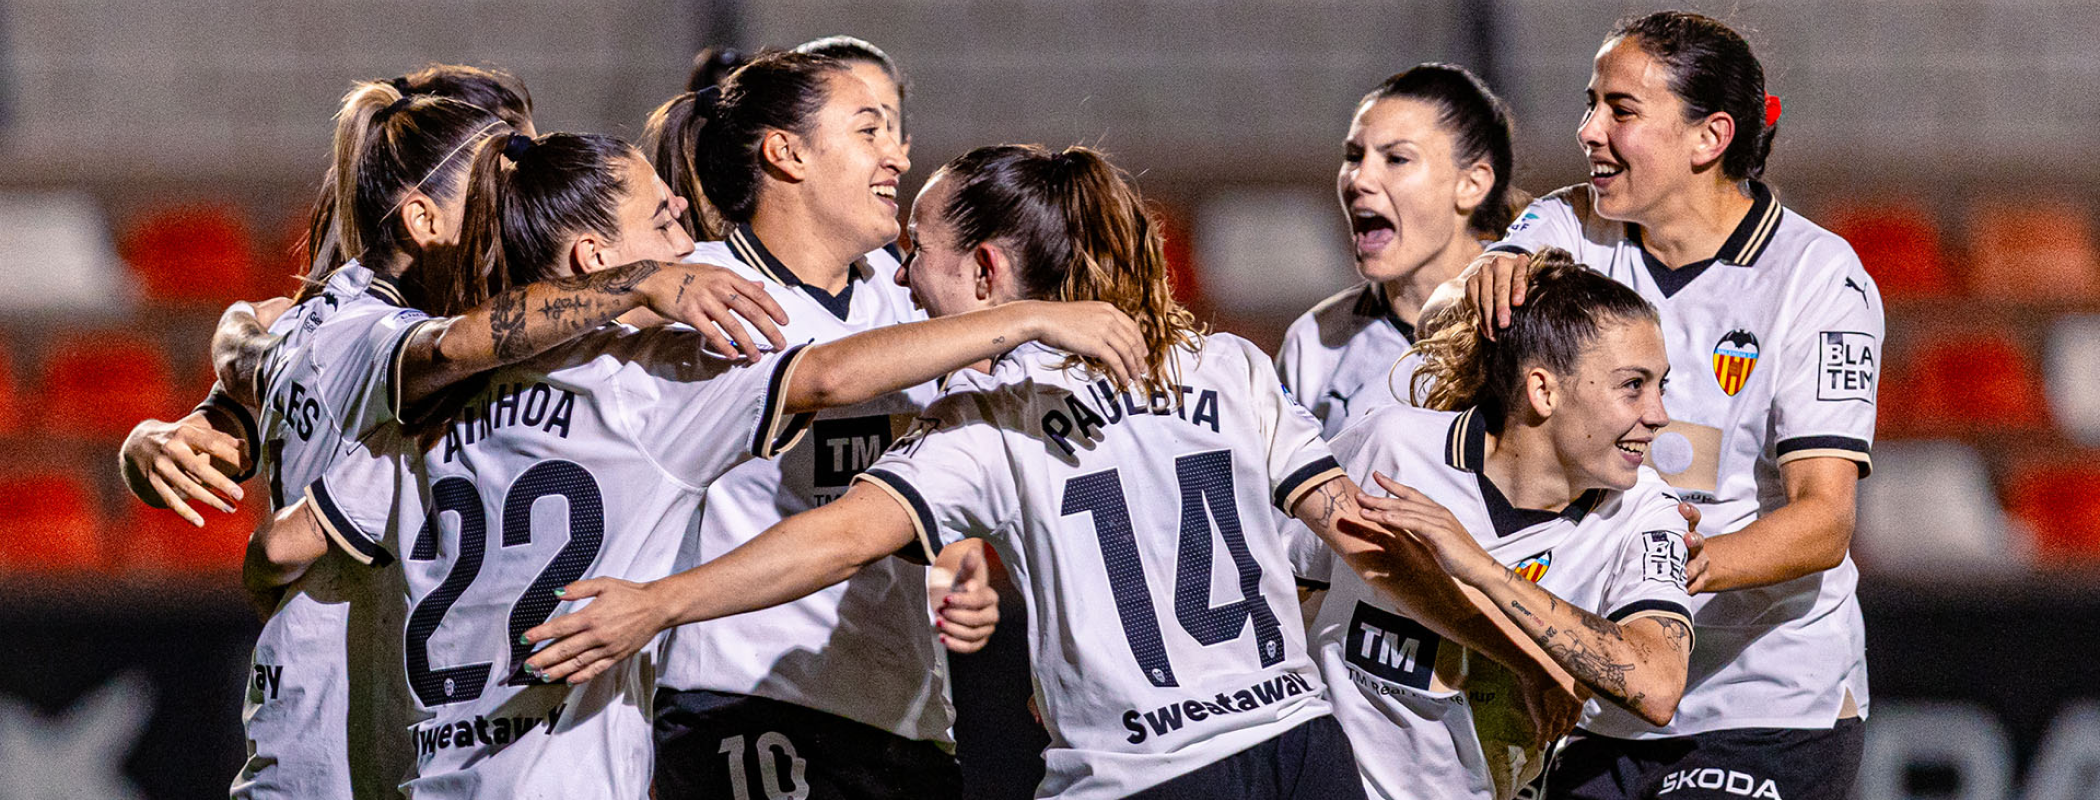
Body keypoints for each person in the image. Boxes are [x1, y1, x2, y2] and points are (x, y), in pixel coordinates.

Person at [519, 144, 1575, 800]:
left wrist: (661, 600)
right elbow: (1362, 536)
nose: (898, 268)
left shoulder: (990, 416)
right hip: (1302, 750)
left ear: (985, 270)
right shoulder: (1218, 360)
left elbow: (839, 535)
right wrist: (1518, 642)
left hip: (1141, 773)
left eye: (921, 248)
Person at [243, 130, 1146, 798]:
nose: (692, 246)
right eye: (668, 223)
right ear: (598, 258)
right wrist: (1027, 318)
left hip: (436, 776)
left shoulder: (435, 402)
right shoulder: (646, 391)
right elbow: (827, 374)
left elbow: (279, 551)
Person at [152, 74, 788, 800]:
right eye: (497, 187)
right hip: (343, 750)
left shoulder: (310, 324)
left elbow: (269, 521)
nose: (516, 212)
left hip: (358, 735)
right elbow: (446, 354)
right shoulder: (377, 338)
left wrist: (166, 433)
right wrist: (639, 283)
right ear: (424, 220)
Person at [1433, 12, 1882, 798]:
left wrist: (1668, 568)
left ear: (1708, 138)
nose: (1587, 130)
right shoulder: (1570, 230)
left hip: (1767, 700)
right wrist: (1485, 276)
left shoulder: (1817, 279)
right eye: (1590, 103)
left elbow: (1824, 520)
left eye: (1620, 110)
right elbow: (1453, 320)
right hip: (1605, 699)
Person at [642, 50, 988, 800]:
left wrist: (961, 560)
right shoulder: (694, 292)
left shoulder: (905, 302)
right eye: (870, 131)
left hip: (905, 715)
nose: (898, 155)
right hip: (745, 702)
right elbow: (830, 376)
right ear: (787, 151)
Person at [1311, 249, 1695, 800]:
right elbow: (1289, 583)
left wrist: (1484, 570)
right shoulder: (1390, 448)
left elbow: (1657, 687)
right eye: (1633, 385)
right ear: (1544, 390)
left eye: (1661, 386)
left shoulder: (1644, 511)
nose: (1658, 414)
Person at [1276, 63, 1518, 438]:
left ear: (1471, 184)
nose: (1359, 179)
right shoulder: (1313, 342)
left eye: (1396, 158)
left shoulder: (1538, 317)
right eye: (1354, 156)